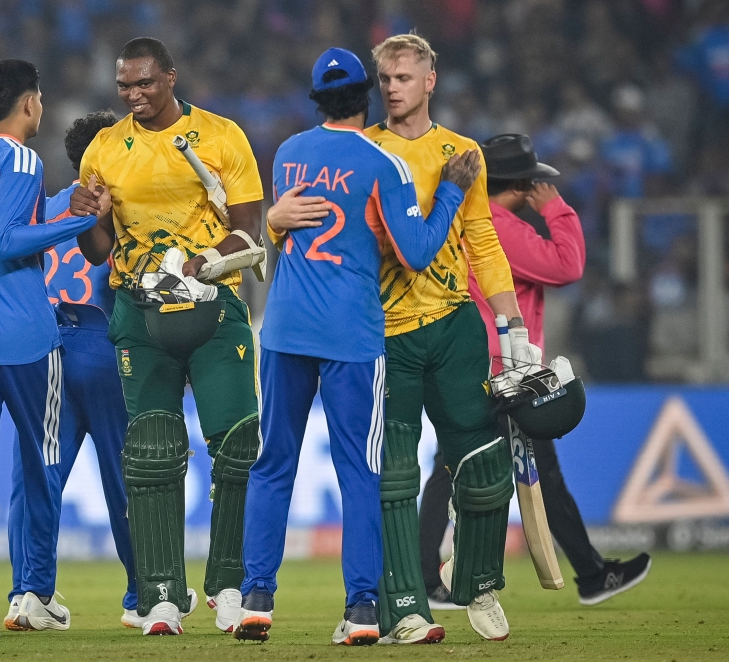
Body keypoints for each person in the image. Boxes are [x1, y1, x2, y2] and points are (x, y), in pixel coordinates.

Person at [270, 32, 535, 644]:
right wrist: (271, 220)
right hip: (384, 333)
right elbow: (303, 233)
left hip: (453, 323)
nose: (392, 88)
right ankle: (403, 606)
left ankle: (479, 583)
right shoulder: (360, 149)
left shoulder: (463, 152)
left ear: (430, 81)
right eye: (385, 79)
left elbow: (483, 241)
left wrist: (510, 322)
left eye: (404, 77)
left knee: (483, 460)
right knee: (390, 476)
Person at [234, 47, 475, 647]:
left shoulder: (288, 154)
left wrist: (270, 219)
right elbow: (416, 252)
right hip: (351, 335)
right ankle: (364, 610)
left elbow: (284, 226)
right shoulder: (382, 163)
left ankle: (257, 600)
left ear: (315, 99)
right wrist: (448, 192)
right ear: (367, 95)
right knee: (359, 473)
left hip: (285, 329)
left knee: (272, 465)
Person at [70, 37, 264, 636]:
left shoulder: (222, 136)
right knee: (152, 453)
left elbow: (250, 228)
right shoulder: (104, 149)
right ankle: (159, 597)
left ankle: (229, 588)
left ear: (171, 78)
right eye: (125, 86)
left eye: (145, 84)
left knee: (235, 446)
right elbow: (98, 251)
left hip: (213, 305)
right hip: (139, 310)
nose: (134, 95)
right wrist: (88, 218)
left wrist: (198, 264)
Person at [417, 133, 652, 608]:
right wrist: (557, 209)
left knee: (457, 465)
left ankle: (426, 576)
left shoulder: (470, 219)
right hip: (504, 368)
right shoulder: (501, 226)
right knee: (522, 469)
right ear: (524, 185)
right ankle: (590, 574)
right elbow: (567, 265)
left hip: (469, 359)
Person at [0, 59, 96, 637]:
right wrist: (78, 220)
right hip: (24, 337)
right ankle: (33, 593)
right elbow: (9, 241)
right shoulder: (24, 157)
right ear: (30, 102)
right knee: (42, 465)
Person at [2, 110, 157, 632]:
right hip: (106, 346)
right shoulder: (126, 208)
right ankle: (142, 595)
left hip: (48, 349)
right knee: (125, 479)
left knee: (36, 478)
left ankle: (28, 593)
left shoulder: (44, 208)